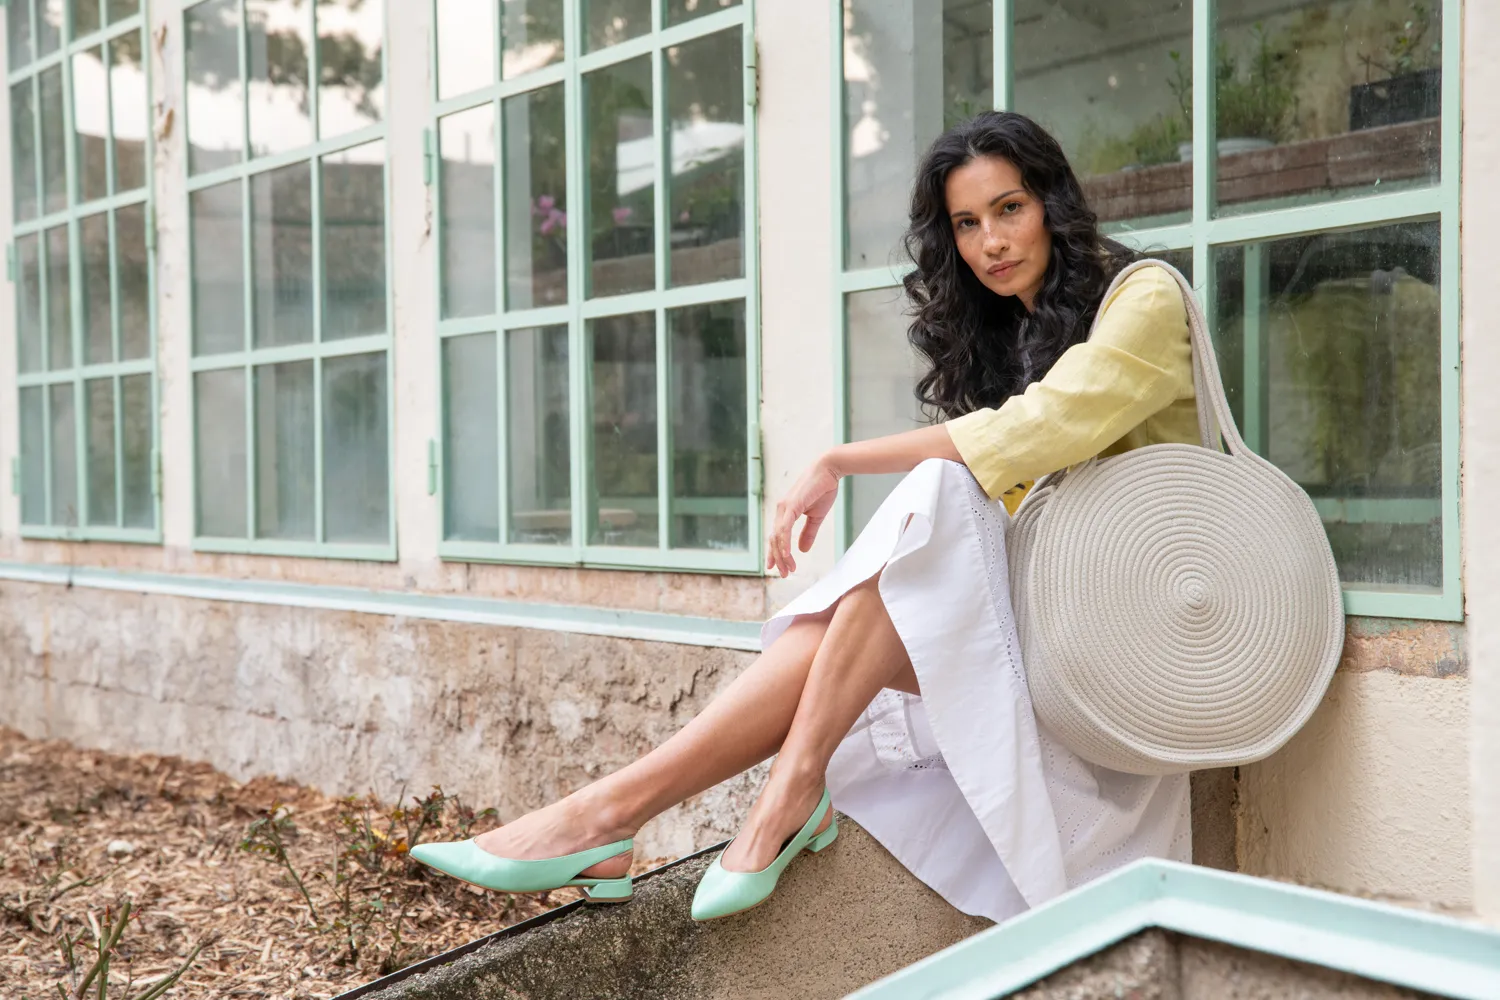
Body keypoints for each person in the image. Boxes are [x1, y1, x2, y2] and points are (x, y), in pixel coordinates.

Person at [411, 110, 1196, 923]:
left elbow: (1045, 427)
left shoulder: (1144, 297)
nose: (990, 241)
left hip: (1145, 634)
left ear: (1052, 205)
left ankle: (707, 802)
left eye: (1010, 208)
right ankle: (627, 812)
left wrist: (838, 459)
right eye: (967, 223)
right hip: (1055, 629)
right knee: (877, 595)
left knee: (936, 492)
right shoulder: (1017, 336)